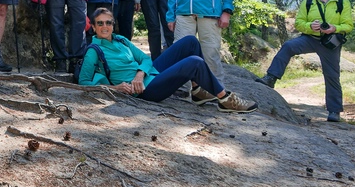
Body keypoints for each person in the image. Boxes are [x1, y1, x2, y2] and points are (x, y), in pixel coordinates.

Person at [78, 8, 257, 112]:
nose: (105, 26)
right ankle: (225, 99)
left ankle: (197, 91)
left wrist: (140, 73)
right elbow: (83, 82)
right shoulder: (94, 50)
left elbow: (145, 59)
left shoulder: (121, 40)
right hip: (145, 91)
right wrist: (115, 88)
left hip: (147, 75)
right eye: (100, 23)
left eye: (108, 22)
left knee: (190, 42)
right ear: (93, 27)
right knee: (194, 62)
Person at [257, 0, 353, 122]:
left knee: (332, 75)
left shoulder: (342, 1)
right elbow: (299, 23)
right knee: (288, 46)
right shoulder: (308, 2)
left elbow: (348, 25)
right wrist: (310, 26)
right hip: (310, 38)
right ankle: (271, 77)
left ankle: (334, 111)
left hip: (330, 42)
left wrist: (334, 28)